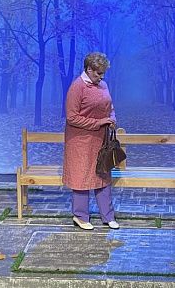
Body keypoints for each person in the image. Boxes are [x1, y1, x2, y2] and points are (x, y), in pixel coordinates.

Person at [62, 52, 119, 230]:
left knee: (102, 174)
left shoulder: (103, 85)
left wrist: (112, 118)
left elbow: (110, 107)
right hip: (80, 141)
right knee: (82, 176)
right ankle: (80, 216)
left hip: (100, 140)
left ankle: (108, 216)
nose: (101, 77)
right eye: (98, 73)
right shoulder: (77, 87)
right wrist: (99, 122)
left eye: (103, 73)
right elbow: (72, 117)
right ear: (88, 69)